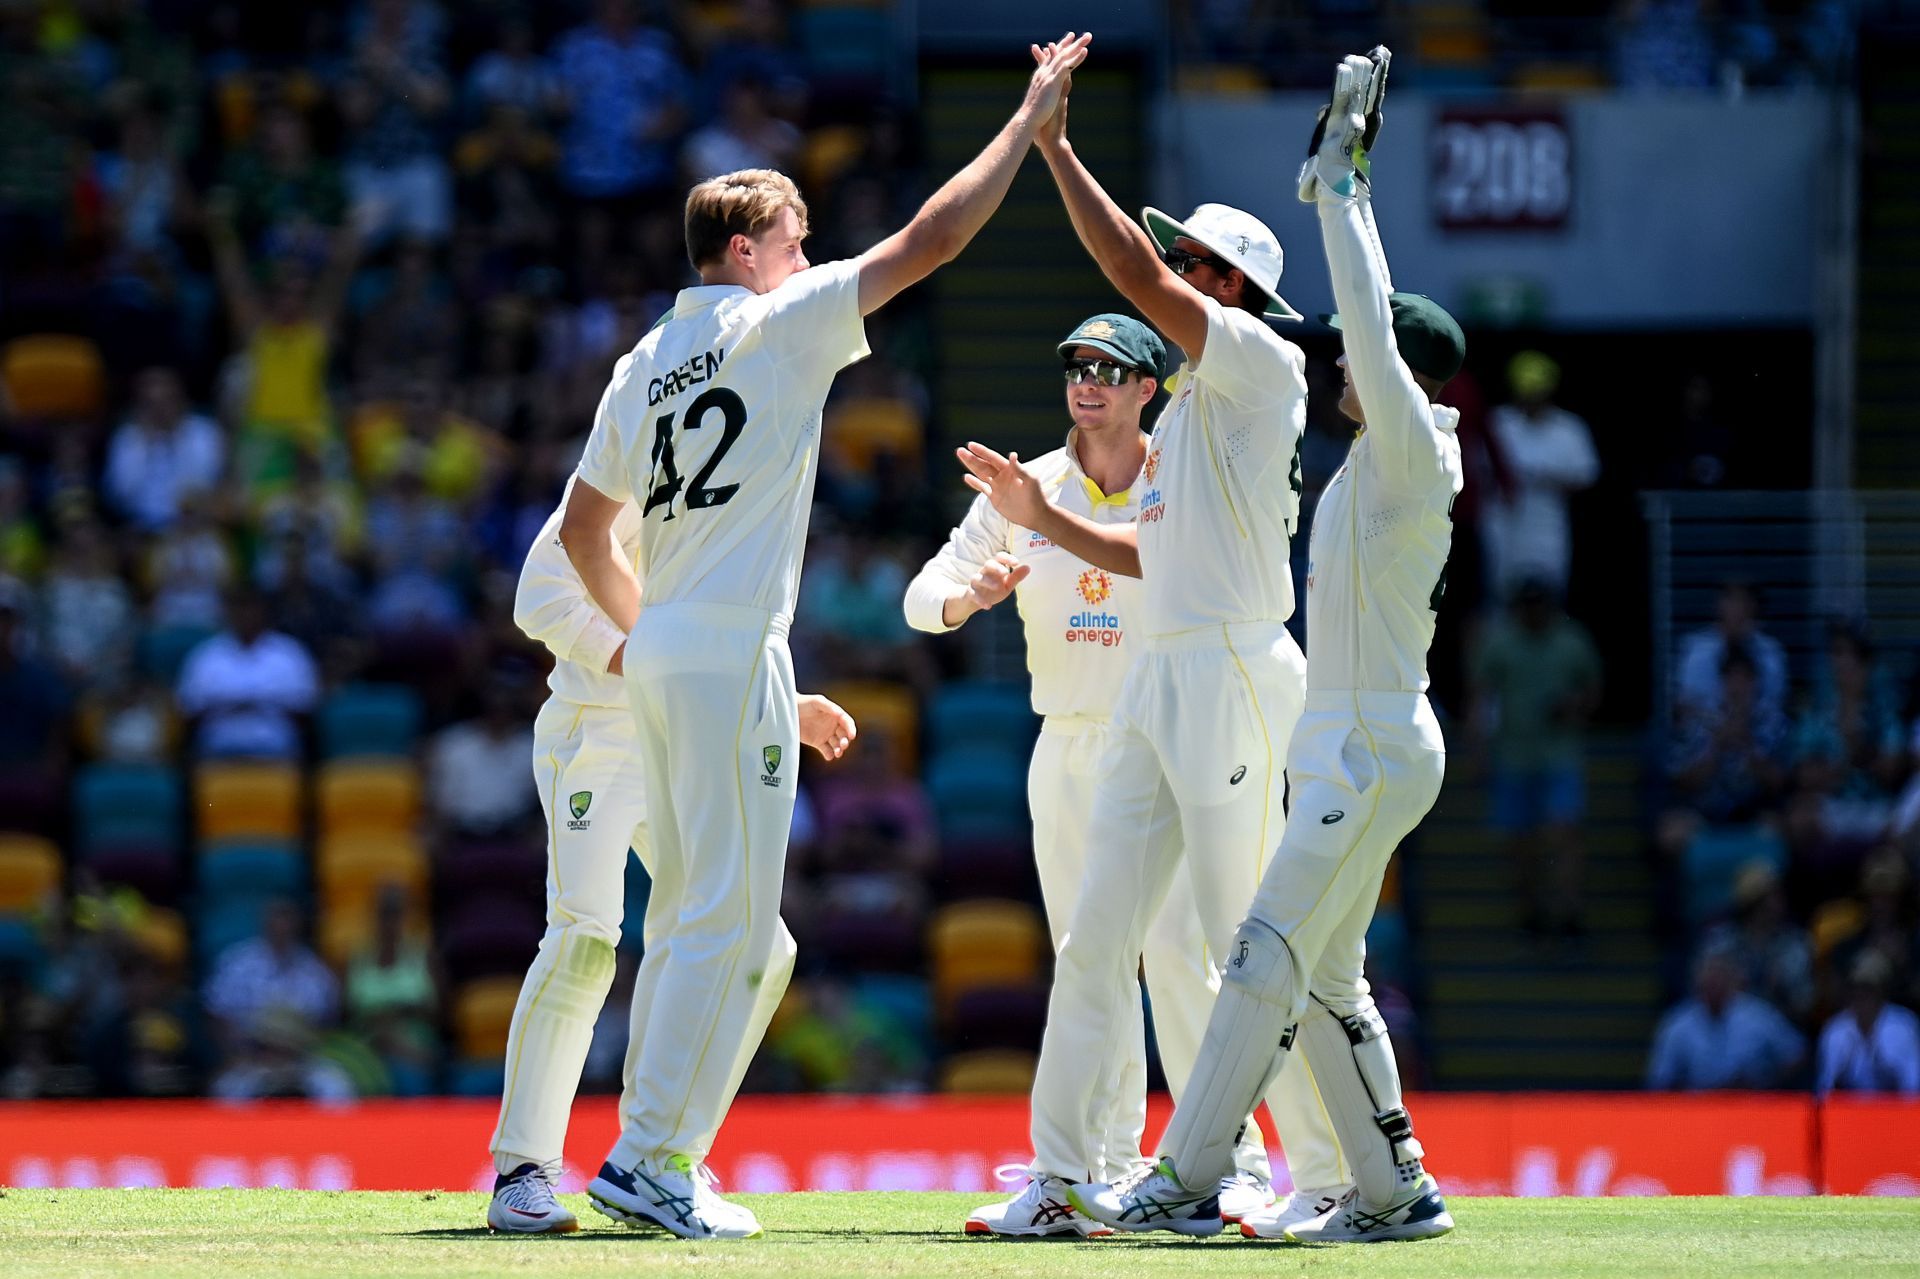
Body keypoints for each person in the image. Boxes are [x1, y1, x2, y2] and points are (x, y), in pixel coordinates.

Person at [552, 36, 1091, 1239]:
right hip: (729, 644)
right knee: (725, 926)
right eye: (793, 241)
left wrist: (655, 643)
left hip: (675, 645)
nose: (808, 260)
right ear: (745, 255)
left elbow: (587, 534)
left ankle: (662, 1153)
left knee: (742, 932)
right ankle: (648, 1160)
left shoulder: (642, 360)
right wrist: (1024, 126)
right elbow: (933, 242)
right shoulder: (779, 317)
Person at [1069, 49, 1463, 1243]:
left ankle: (1184, 1176)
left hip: (1370, 739)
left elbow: (1371, 346)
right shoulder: (1377, 458)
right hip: (1352, 730)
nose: (1336, 358)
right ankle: (1396, 1191)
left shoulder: (1408, 445)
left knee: (1261, 953)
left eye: (1357, 348)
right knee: (1327, 976)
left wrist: (1344, 192)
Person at [953, 46, 1340, 1238]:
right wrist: (1047, 520)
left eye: (1190, 264)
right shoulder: (1181, 419)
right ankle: (1070, 1177)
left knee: (1242, 944)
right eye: (1174, 256)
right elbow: (1147, 558)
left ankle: (1309, 1173)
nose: (1166, 272)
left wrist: (1055, 145)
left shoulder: (1260, 363)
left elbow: (1120, 261)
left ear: (1232, 287)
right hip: (1165, 670)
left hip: (1229, 663)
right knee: (1094, 936)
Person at [486, 477, 858, 1234]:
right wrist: (636, 664)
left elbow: (711, 639)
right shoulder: (646, 462)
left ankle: (662, 1154)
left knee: (759, 941)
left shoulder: (744, 487)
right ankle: (522, 1171)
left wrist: (787, 704)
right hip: (597, 733)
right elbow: (538, 590)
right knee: (586, 938)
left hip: (681, 738)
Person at [1470, 577, 1602, 935]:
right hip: (1513, 756)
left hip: (1560, 754)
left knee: (1565, 832)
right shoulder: (1501, 644)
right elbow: (1481, 697)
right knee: (1519, 842)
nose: (1533, 613)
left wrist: (1575, 708)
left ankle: (1569, 910)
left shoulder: (1570, 641)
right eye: (1526, 606)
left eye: (1539, 605)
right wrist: (1479, 750)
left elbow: (1593, 688)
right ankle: (1531, 911)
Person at [1481, 349, 1597, 602]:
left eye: (1537, 392)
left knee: (1551, 592)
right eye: (1526, 392)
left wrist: (1545, 479)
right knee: (1499, 593)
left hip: (1549, 523)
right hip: (1502, 521)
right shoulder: (1497, 422)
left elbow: (1586, 475)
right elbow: (1475, 467)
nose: (1532, 399)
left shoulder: (1570, 428)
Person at [1647, 942, 1805, 1090]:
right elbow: (1660, 1080)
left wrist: (1767, 1084)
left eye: (1719, 975)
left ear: (1732, 979)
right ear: (1697, 980)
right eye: (1708, 975)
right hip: (1697, 1110)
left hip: (1752, 1107)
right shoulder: (1677, 1022)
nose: (1713, 982)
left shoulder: (1758, 1015)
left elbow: (1796, 1054)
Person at [1815, 950, 1920, 1096]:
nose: (1861, 997)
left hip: (1893, 1112)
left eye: (1868, 990)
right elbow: (1824, 1091)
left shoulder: (1904, 1027)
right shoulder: (1836, 1030)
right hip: (1848, 1115)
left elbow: (1913, 1090)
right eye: (1856, 989)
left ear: (1881, 992)